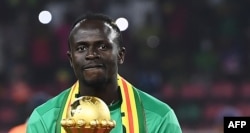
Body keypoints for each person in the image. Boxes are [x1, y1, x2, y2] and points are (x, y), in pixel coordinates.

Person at [26, 13, 182, 133]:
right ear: (71, 59)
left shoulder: (159, 118)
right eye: (81, 48)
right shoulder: (44, 120)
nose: (91, 54)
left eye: (102, 47)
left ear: (120, 55)